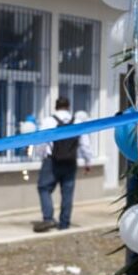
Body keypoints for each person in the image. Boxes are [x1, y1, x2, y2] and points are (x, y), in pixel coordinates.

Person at [33, 96, 93, 232]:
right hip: (71, 162)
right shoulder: (77, 122)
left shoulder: (48, 121)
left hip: (51, 161)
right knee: (67, 193)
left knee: (44, 188)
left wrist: (42, 156)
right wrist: (88, 162)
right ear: (68, 107)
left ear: (56, 107)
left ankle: (48, 218)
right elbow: (85, 144)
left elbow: (41, 142)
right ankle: (64, 223)